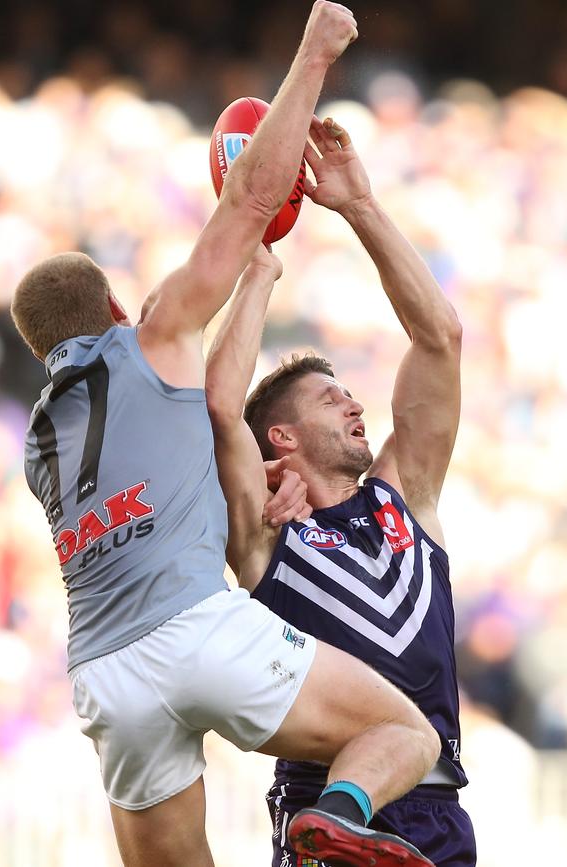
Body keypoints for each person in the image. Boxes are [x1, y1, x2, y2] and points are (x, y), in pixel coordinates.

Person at [10, 5, 442, 866]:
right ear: (117, 310)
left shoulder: (37, 443)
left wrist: (257, 282)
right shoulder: (155, 332)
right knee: (404, 731)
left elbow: (174, 455)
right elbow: (248, 199)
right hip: (196, 629)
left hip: (103, 672)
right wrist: (316, 53)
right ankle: (343, 813)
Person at [206, 116, 477, 866]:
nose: (356, 405)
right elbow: (218, 407)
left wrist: (360, 206)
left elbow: (440, 339)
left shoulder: (406, 494)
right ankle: (339, 817)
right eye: (331, 399)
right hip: (320, 802)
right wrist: (256, 260)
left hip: (439, 807)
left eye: (349, 394)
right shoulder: (264, 525)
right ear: (281, 440)